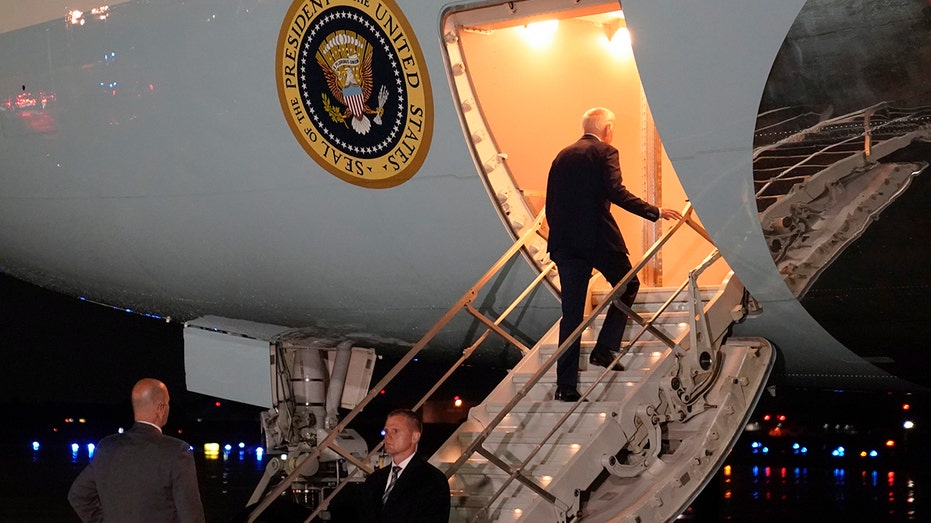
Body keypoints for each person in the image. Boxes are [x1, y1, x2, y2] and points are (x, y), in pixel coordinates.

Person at [546, 107, 683, 402]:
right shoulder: (605, 151)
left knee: (571, 315)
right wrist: (655, 212)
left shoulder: (563, 155)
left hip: (565, 244)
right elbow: (616, 192)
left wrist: (558, 238)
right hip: (597, 240)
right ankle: (605, 348)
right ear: (607, 127)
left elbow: (552, 201)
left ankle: (565, 386)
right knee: (628, 284)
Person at [68, 378, 205, 523]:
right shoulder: (176, 451)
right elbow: (191, 516)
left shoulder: (107, 447)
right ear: (160, 408)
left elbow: (78, 495)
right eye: (168, 403)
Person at [358, 409, 450, 522]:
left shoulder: (433, 480)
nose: (387, 436)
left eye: (395, 431)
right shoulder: (374, 479)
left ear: (415, 437)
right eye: (386, 431)